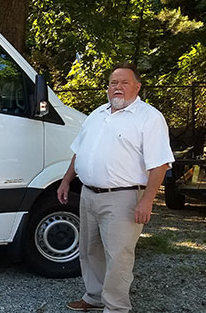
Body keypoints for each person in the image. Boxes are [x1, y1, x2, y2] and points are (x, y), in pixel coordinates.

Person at [57, 62, 174, 312]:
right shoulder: (97, 114)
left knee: (119, 257)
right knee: (90, 251)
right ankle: (94, 296)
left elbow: (160, 164)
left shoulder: (150, 118)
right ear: (108, 88)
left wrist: (147, 200)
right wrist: (66, 181)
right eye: (113, 83)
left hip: (124, 198)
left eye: (124, 83)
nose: (117, 87)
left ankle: (116, 308)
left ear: (137, 86)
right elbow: (79, 152)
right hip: (88, 194)